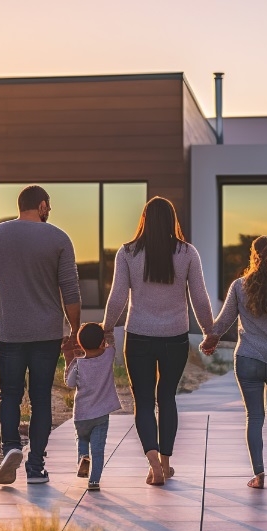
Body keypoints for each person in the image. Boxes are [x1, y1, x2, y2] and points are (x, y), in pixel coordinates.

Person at [102, 196, 214, 486]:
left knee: (143, 400)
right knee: (167, 398)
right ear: (172, 221)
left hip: (138, 336)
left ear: (144, 220)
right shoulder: (187, 253)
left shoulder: (128, 253)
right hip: (174, 337)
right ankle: (164, 463)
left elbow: (117, 296)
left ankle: (153, 463)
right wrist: (209, 331)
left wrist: (107, 328)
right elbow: (199, 297)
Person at [0, 184, 81, 486]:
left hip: (9, 333)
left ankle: (10, 448)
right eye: (49, 207)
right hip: (47, 334)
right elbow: (70, 291)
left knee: (9, 394)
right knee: (40, 398)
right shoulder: (59, 238)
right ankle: (35, 467)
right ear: (43, 206)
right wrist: (74, 330)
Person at [202, 235, 267, 489]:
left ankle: (259, 475)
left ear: (253, 256)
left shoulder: (239, 286)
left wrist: (209, 341)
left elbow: (222, 323)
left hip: (247, 358)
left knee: (255, 416)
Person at [65, 323, 122, 491]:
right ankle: (94, 481)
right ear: (102, 342)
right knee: (98, 449)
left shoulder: (78, 364)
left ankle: (83, 458)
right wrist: (107, 331)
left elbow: (69, 383)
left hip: (81, 414)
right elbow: (111, 343)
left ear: (80, 343)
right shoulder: (108, 356)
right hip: (101, 415)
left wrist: (70, 362)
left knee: (82, 440)